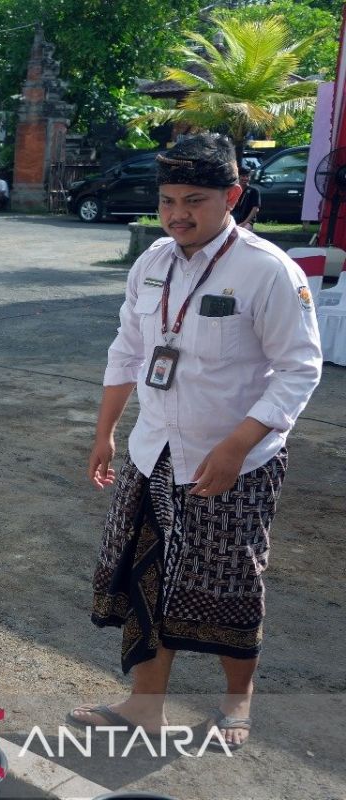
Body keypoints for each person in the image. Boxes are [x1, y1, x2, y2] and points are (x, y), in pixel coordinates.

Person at [71, 133, 322, 751]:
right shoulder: (152, 262)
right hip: (152, 451)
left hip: (234, 461)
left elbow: (300, 367)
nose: (178, 214)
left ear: (233, 197)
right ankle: (144, 706)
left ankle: (238, 702)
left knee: (229, 580)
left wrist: (239, 444)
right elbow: (128, 351)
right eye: (167, 200)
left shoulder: (267, 271)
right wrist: (105, 432)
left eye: (195, 201)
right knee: (146, 575)